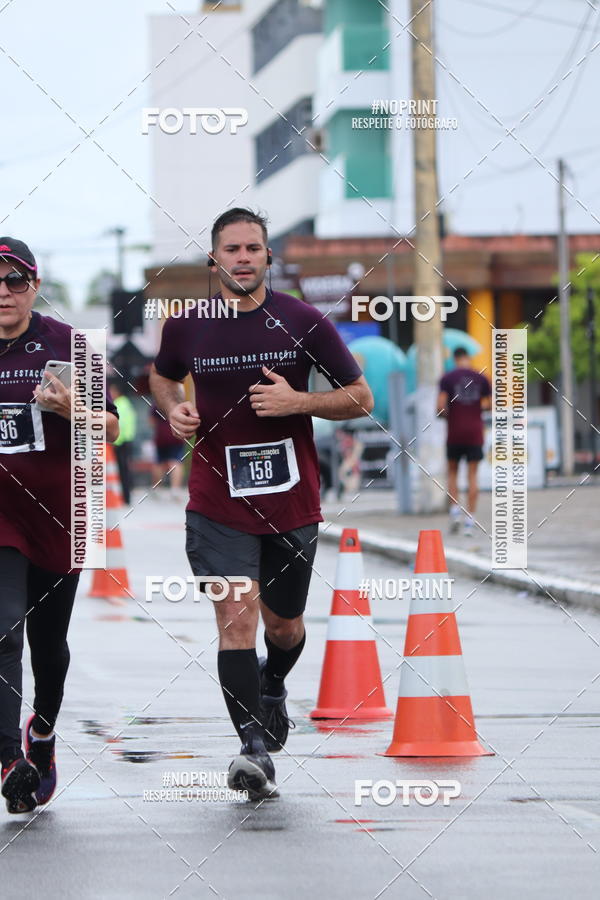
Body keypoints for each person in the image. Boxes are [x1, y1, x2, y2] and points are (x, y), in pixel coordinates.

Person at [150, 208, 373, 800]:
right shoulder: (186, 326)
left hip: (291, 501)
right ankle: (252, 750)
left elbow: (359, 396)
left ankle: (274, 686)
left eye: (253, 248)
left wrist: (299, 402)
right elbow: (162, 376)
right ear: (214, 260)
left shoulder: (303, 320)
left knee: (285, 624)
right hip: (216, 499)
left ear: (268, 257)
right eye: (232, 249)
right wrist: (175, 408)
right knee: (236, 619)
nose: (243, 257)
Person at [0, 238, 119, 814]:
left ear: (34, 286)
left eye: (14, 281)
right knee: (3, 633)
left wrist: (77, 410)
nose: (3, 291)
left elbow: (114, 428)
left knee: (50, 649)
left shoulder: (68, 345)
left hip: (63, 514)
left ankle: (41, 734)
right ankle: (7, 761)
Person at [437, 346, 491, 537]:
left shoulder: (447, 378)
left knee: (452, 472)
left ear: (455, 358)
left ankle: (454, 513)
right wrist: (475, 409)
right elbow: (490, 404)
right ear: (468, 358)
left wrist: (449, 415)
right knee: (472, 475)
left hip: (455, 433)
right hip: (475, 433)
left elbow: (440, 407)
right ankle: (470, 520)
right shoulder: (482, 378)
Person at [150, 403, 186, 500]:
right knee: (176, 461)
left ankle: (156, 489)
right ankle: (175, 490)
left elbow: (151, 421)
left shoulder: (157, 402)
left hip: (161, 436)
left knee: (159, 463)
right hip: (176, 436)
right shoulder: (179, 402)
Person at [110, 383, 137, 505]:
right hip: (127, 440)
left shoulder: (119, 404)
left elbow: (119, 425)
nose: (110, 394)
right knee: (125, 470)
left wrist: (114, 441)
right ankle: (126, 497)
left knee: (122, 471)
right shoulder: (126, 403)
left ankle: (125, 498)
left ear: (117, 391)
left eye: (111, 391)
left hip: (121, 442)